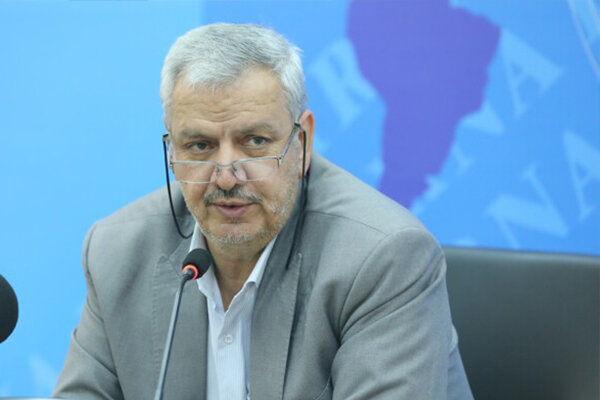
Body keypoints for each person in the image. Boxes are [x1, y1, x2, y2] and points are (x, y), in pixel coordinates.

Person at [53, 23, 473, 400]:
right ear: (171, 152)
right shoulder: (117, 253)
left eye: (254, 141)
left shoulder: (382, 258)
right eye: (199, 146)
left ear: (302, 142)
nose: (226, 176)